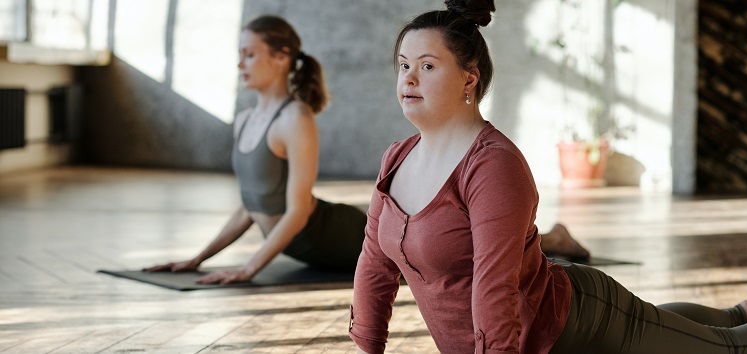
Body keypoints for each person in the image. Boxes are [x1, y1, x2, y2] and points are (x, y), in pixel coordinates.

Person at [348, 1, 747, 353]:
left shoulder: (492, 166)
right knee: (666, 328)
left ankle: (739, 326)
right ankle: (737, 313)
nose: (408, 79)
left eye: (427, 67)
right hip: (532, 329)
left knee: (727, 349)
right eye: (404, 66)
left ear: (469, 79)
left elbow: (494, 288)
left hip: (577, 322)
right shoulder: (396, 158)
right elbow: (374, 266)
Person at [144, 15, 587, 285]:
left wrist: (249, 269)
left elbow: (295, 213)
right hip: (304, 244)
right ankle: (552, 237)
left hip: (334, 235)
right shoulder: (245, 120)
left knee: (458, 247)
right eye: (239, 55)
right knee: (454, 239)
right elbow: (252, 204)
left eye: (249, 54)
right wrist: (198, 258)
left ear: (281, 58)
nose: (239, 64)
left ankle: (553, 240)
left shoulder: (295, 120)